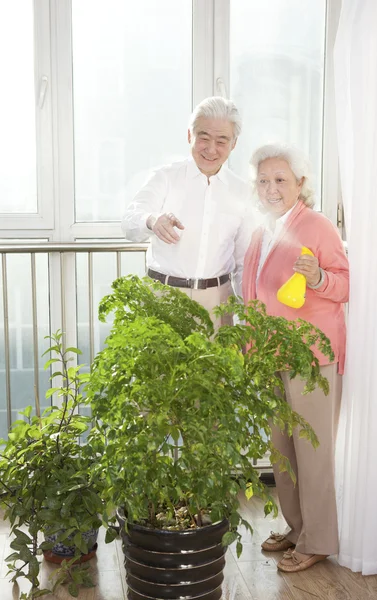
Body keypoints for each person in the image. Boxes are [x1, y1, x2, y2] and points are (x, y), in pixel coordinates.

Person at [242, 143, 349, 573]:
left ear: (301, 184)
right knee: (282, 451)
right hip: (271, 353)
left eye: (280, 179)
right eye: (264, 180)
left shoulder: (318, 226)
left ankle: (319, 539)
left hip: (311, 357)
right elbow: (253, 294)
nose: (271, 188)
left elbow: (344, 285)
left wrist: (320, 277)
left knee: (312, 452)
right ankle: (298, 527)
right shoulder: (260, 231)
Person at [121, 97, 255, 330]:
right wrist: (152, 220)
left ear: (233, 144)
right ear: (189, 136)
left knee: (216, 367)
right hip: (165, 297)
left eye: (221, 141)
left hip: (217, 302)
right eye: (204, 138)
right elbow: (129, 221)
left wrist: (246, 319)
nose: (211, 149)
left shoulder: (243, 191)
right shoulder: (165, 177)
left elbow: (244, 262)